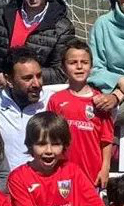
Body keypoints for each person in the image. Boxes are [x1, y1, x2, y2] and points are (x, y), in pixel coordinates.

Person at [46, 40, 115, 189]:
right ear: (64, 67)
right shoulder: (56, 100)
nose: (79, 67)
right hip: (61, 172)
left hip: (91, 173)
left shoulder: (101, 101)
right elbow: (48, 136)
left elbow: (106, 139)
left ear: (91, 66)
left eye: (84, 62)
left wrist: (105, 168)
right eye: (73, 62)